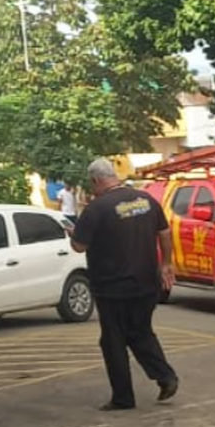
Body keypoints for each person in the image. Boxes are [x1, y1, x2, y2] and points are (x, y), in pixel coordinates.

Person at [72, 158, 178, 410]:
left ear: (96, 180)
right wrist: (167, 264)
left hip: (112, 288)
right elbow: (164, 232)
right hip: (146, 283)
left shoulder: (97, 208)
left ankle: (123, 397)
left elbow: (79, 246)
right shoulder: (146, 200)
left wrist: (74, 231)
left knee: (113, 340)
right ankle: (165, 376)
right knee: (140, 332)